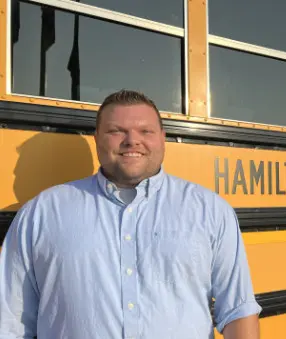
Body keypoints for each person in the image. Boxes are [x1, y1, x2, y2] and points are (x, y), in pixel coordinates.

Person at [0, 90, 262, 339]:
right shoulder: (42, 213)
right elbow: (9, 320)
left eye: (145, 131)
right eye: (116, 131)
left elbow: (238, 311)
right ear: (97, 138)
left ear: (162, 137)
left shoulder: (210, 211)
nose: (132, 141)